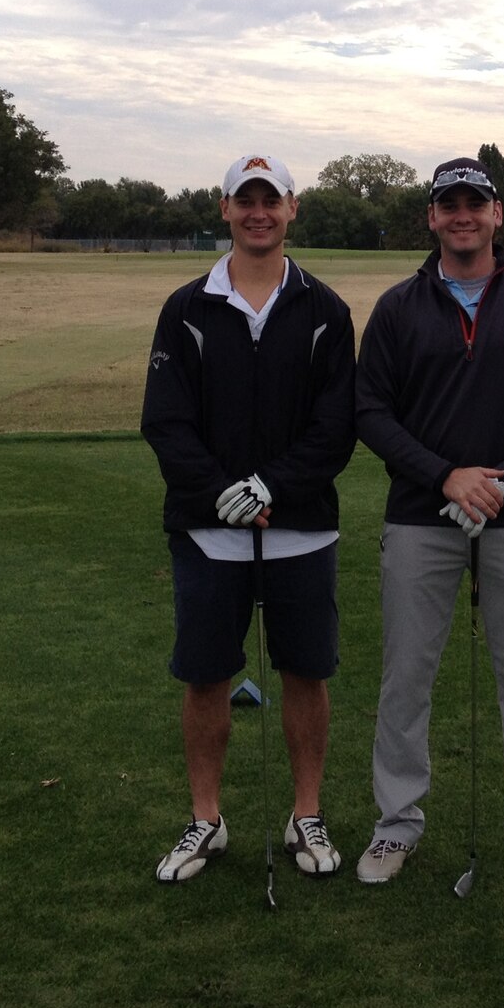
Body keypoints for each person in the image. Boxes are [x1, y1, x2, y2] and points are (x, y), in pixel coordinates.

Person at [352, 156, 504, 883]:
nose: (462, 216)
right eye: (448, 204)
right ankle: (395, 825)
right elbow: (370, 412)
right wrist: (444, 475)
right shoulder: (397, 307)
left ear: (497, 214)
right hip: (421, 515)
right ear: (432, 217)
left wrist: (501, 482)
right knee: (406, 678)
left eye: (474, 203)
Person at [141, 154, 357, 884]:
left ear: (293, 208)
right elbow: (166, 422)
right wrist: (221, 494)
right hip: (209, 532)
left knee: (305, 672)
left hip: (301, 528)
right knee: (205, 677)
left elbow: (335, 429)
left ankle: (306, 813)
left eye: (271, 200)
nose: (258, 212)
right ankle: (207, 820)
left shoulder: (326, 310)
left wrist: (270, 487)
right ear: (225, 208)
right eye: (246, 200)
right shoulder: (186, 308)